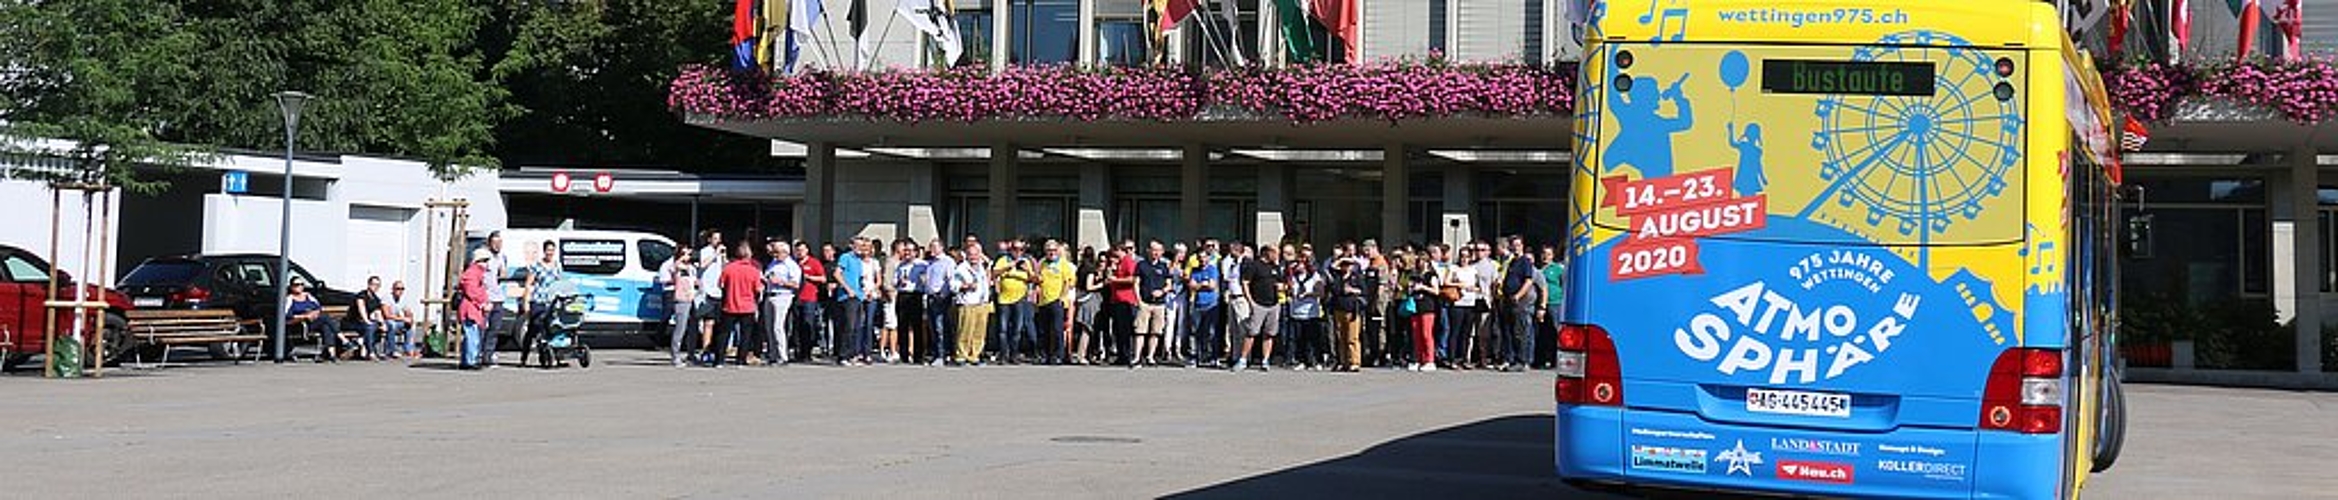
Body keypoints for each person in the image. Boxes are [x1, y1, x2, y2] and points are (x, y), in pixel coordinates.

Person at [1231, 245, 1285, 372]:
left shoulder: (1275, 267)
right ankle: (1243, 360)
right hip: (1258, 304)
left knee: (1269, 333)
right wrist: (1250, 301)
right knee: (1251, 332)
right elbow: (1245, 283)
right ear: (1267, 253)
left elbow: (1281, 282)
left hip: (1273, 304)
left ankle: (1265, 360)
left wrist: (1282, 287)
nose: (1277, 255)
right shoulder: (1254, 266)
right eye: (1275, 253)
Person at [715, 242, 765, 367]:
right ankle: (740, 360)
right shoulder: (754, 271)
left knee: (724, 333)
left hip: (730, 304)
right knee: (745, 334)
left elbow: (720, 285)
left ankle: (719, 360)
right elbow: (758, 289)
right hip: (747, 306)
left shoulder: (728, 268)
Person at [1499, 236, 1543, 372]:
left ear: (1522, 246)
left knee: (1521, 333)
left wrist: (1518, 295)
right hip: (1508, 301)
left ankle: (1522, 360)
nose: (1515, 247)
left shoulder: (1525, 262)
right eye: (1513, 245)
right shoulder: (1512, 262)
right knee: (1509, 332)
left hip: (1521, 303)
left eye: (1518, 245)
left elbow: (1529, 280)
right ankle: (1510, 359)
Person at [1130, 240, 1173, 368]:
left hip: (1159, 304)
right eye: (1153, 250)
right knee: (1140, 331)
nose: (1155, 253)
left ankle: (1150, 356)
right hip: (1144, 303)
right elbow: (1136, 283)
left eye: (1158, 250)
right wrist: (1138, 300)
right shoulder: (1141, 265)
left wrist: (1162, 292)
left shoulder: (1164, 266)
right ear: (1148, 250)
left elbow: (1169, 284)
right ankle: (1137, 357)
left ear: (1162, 252)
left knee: (1156, 331)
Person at [520, 241, 563, 366]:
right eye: (548, 250)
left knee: (552, 328)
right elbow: (529, 284)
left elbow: (560, 282)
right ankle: (524, 356)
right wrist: (526, 302)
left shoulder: (557, 265)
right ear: (544, 251)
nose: (550, 253)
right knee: (534, 329)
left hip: (552, 301)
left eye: (552, 250)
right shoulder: (536, 266)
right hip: (538, 300)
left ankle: (550, 356)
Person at [287, 281, 353, 362]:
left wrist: (314, 313)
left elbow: (318, 308)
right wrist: (305, 316)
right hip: (301, 324)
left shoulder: (308, 296)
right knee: (325, 317)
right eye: (297, 285)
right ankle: (344, 341)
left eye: (301, 284)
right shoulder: (290, 299)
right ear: (291, 287)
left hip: (315, 321)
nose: (300, 286)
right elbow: (287, 315)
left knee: (326, 326)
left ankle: (332, 354)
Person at [1035, 240, 1077, 365]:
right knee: (1044, 330)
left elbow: (1068, 282)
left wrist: (1062, 297)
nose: (1051, 253)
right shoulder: (1042, 263)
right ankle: (1046, 355)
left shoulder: (1063, 264)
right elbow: (1038, 278)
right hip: (1043, 301)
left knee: (1057, 330)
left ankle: (1059, 355)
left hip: (1057, 300)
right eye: (1049, 251)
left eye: (1054, 250)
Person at [993, 240, 1035, 365]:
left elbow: (1035, 279)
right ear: (1010, 250)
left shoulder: (1026, 262)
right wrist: (1009, 266)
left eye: (1021, 249)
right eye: (1015, 249)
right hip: (1004, 299)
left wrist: (1027, 270)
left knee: (1017, 329)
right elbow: (994, 273)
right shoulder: (1003, 260)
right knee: (1003, 329)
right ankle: (1003, 355)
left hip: (1020, 299)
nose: (1018, 252)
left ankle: (1014, 355)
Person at [951, 243, 994, 366]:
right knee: (965, 330)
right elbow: (953, 286)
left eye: (976, 254)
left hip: (982, 303)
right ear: (966, 255)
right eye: (971, 255)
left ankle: (974, 355)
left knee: (979, 332)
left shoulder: (982, 267)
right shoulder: (961, 268)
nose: (974, 257)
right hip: (968, 303)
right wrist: (966, 286)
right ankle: (961, 355)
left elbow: (990, 264)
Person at [1402, 249, 1441, 371]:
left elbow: (1436, 291)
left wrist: (1423, 287)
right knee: (1416, 334)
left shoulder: (1431, 275)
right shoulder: (1414, 275)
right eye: (1419, 261)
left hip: (1427, 307)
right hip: (1415, 306)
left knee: (1426, 334)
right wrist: (1410, 288)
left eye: (1423, 261)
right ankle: (1418, 359)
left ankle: (1429, 360)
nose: (1420, 263)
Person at [659, 250, 698, 367]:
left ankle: (690, 353)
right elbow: (673, 270)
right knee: (680, 328)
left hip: (691, 298)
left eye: (690, 254)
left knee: (691, 326)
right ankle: (675, 355)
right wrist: (680, 260)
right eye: (687, 254)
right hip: (681, 298)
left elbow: (693, 280)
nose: (689, 257)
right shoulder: (676, 266)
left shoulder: (691, 268)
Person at [1287, 257, 1327, 370]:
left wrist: (1308, 294)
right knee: (1300, 339)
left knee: (1313, 338)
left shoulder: (1314, 276)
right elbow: (1290, 291)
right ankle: (1302, 361)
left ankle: (1318, 360)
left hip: (1311, 312)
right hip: (1296, 311)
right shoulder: (1293, 277)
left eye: (1300, 264)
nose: (1298, 266)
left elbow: (1321, 292)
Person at [1186, 240, 1222, 369]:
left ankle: (1214, 357)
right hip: (1197, 304)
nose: (1202, 260)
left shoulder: (1213, 269)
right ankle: (1193, 357)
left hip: (1211, 304)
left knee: (1211, 332)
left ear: (1208, 258)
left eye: (1204, 257)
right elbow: (1191, 285)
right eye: (1199, 258)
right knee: (1194, 331)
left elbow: (1212, 286)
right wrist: (1203, 284)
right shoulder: (1195, 271)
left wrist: (1198, 285)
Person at [765, 238, 801, 365]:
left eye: (778, 252)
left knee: (777, 326)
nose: (775, 255)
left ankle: (783, 355)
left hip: (783, 295)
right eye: (774, 252)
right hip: (770, 294)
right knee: (769, 327)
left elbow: (796, 284)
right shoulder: (774, 263)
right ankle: (772, 354)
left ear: (786, 252)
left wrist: (780, 282)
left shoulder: (791, 266)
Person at [921, 240, 956, 366]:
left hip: (941, 297)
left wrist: (944, 294)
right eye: (931, 248)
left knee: (940, 326)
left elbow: (950, 279)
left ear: (942, 248)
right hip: (930, 296)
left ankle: (942, 355)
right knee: (933, 327)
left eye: (935, 248)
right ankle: (937, 353)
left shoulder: (947, 262)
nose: (932, 250)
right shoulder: (930, 263)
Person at [1329, 258, 1367, 372]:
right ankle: (1343, 361)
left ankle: (1354, 362)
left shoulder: (1357, 277)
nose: (1345, 267)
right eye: (1343, 265)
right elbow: (1331, 268)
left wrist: (1352, 290)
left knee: (1352, 337)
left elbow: (1364, 291)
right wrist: (1342, 259)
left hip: (1352, 310)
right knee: (1341, 337)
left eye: (1348, 265)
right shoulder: (1337, 277)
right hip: (1339, 309)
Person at [892, 239, 926, 365]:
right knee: (902, 326)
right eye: (906, 251)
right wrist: (899, 282)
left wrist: (923, 280)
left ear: (916, 252)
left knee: (917, 326)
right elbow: (894, 282)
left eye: (910, 251)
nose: (907, 253)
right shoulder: (900, 265)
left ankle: (918, 356)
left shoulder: (922, 265)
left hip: (915, 295)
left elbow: (926, 281)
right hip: (902, 295)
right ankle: (904, 355)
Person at [457, 248, 493, 369]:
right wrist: (483, 303)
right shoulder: (472, 273)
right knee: (472, 336)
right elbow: (472, 291)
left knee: (470, 335)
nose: (487, 263)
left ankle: (466, 360)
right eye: (485, 260)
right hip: (470, 308)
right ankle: (470, 361)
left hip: (473, 308)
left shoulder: (476, 273)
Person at [482, 230, 512, 367]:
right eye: (495, 242)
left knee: (494, 329)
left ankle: (488, 356)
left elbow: (503, 274)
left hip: (498, 298)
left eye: (500, 242)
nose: (497, 245)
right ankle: (477, 354)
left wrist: (503, 274)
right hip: (486, 298)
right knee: (482, 328)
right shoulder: (484, 257)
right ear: (489, 243)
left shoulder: (502, 257)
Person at [1107, 240, 1139, 366]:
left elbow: (1132, 278)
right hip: (1116, 299)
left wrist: (1116, 280)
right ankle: (1121, 355)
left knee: (1125, 329)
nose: (1115, 256)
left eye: (1116, 253)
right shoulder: (1118, 263)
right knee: (1118, 330)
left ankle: (1126, 355)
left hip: (1126, 300)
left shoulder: (1128, 261)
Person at [794, 242, 827, 363]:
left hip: (809, 297)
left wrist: (809, 277)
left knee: (808, 324)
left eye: (802, 250)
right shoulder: (793, 263)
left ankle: (807, 352)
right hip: (796, 297)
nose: (799, 252)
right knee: (797, 325)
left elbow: (823, 278)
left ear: (807, 250)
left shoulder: (814, 262)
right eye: (797, 250)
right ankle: (798, 352)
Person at [1073, 246, 1105, 365]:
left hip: (1080, 298)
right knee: (1087, 329)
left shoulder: (1080, 267)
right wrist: (1102, 284)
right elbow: (1089, 286)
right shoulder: (1090, 269)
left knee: (1084, 328)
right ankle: (1082, 355)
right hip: (1090, 300)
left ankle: (1083, 354)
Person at [1538, 245, 1568, 370]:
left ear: (1553, 255)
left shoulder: (1558, 269)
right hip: (1541, 304)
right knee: (1544, 333)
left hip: (1555, 302)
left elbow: (1564, 284)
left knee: (1556, 332)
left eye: (1548, 254)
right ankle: (1544, 359)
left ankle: (1557, 360)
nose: (1546, 256)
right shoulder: (1538, 270)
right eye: (1544, 254)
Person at [347, 276, 386, 361]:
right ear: (368, 285)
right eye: (374, 284)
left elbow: (378, 312)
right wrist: (367, 321)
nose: (375, 287)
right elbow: (362, 310)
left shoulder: (375, 298)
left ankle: (363, 343)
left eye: (378, 285)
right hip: (352, 322)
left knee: (381, 327)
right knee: (370, 327)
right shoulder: (361, 295)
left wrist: (382, 324)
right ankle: (371, 352)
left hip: (362, 323)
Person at [383, 280, 417, 360]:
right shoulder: (387, 298)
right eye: (398, 288)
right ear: (393, 289)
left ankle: (408, 349)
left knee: (410, 325)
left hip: (397, 321)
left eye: (402, 289)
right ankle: (391, 350)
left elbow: (408, 311)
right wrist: (403, 318)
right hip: (385, 322)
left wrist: (410, 318)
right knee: (392, 324)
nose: (400, 291)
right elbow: (387, 315)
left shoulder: (403, 299)